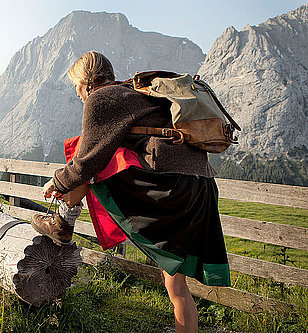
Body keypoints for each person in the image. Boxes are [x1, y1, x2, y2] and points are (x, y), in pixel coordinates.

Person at [31, 51, 231, 333]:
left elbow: (88, 160)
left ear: (87, 82)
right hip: (201, 187)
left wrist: (58, 182)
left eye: (76, 85)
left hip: (171, 188)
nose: (76, 93)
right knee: (176, 285)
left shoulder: (101, 99)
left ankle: (64, 221)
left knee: (81, 151)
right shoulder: (134, 92)